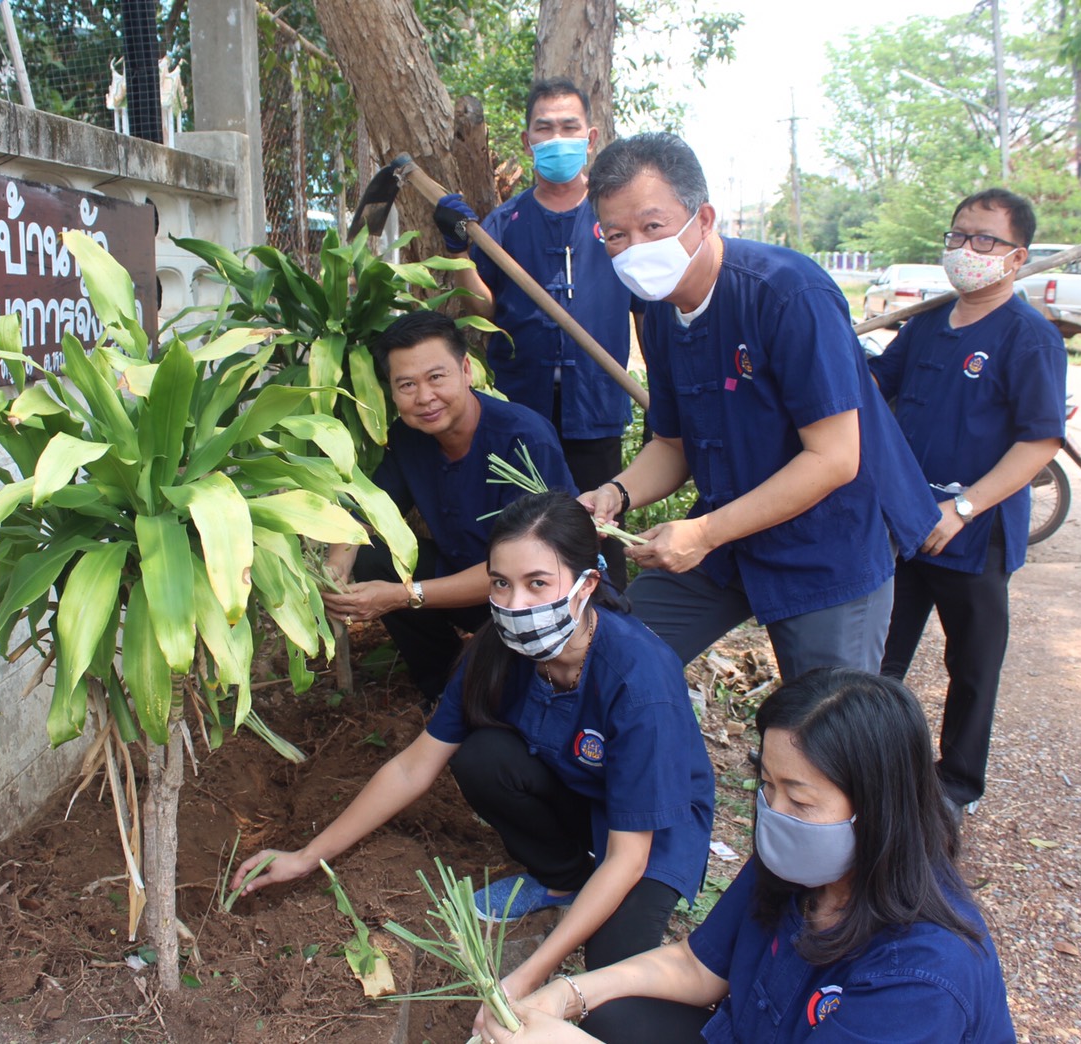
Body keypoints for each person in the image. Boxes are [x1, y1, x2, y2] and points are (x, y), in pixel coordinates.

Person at [235, 492, 715, 1022]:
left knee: (613, 987)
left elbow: (629, 857)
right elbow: (412, 767)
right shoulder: (498, 650)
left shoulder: (640, 678)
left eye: (538, 583)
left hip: (648, 834)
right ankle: (562, 877)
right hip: (579, 791)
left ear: (587, 586)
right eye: (500, 583)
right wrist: (307, 855)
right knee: (483, 755)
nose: (514, 604)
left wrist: (530, 974)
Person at [477, 668, 1017, 1044]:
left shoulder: (923, 977)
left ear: (879, 807)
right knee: (609, 1014)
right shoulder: (803, 859)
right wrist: (564, 996)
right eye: (766, 786)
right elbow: (696, 964)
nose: (775, 814)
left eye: (800, 799)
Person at [578, 132, 938, 678]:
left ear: (703, 219)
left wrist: (702, 534)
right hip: (729, 540)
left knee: (827, 733)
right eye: (616, 235)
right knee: (617, 655)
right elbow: (672, 445)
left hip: (824, 545)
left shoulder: (788, 294)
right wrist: (616, 492)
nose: (635, 249)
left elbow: (835, 458)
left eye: (653, 227)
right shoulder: (663, 318)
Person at [869, 189, 1068, 817]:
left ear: (1017, 257)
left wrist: (964, 509)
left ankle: (955, 787)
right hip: (905, 523)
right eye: (958, 236)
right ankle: (863, 767)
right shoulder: (926, 324)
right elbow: (876, 389)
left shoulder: (1028, 337)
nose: (966, 250)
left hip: (974, 531)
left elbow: (1039, 442)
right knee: (879, 657)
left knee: (973, 666)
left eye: (984, 240)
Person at [434, 78, 642, 584]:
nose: (557, 138)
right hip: (521, 404)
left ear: (590, 138)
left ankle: (608, 629)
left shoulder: (616, 218)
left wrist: (664, 397)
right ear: (528, 142)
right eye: (544, 128)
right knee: (526, 532)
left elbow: (646, 308)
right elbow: (482, 303)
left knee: (600, 530)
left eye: (569, 127)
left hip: (596, 404)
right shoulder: (505, 221)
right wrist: (460, 251)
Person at [320, 310, 575, 703]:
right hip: (460, 579)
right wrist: (337, 567)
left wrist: (404, 595)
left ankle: (493, 686)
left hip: (529, 600)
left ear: (466, 369)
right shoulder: (410, 437)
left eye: (436, 377)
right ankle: (441, 686)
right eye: (406, 384)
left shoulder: (524, 440)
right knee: (371, 559)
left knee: (511, 699)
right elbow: (369, 509)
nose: (424, 397)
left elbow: (529, 571)